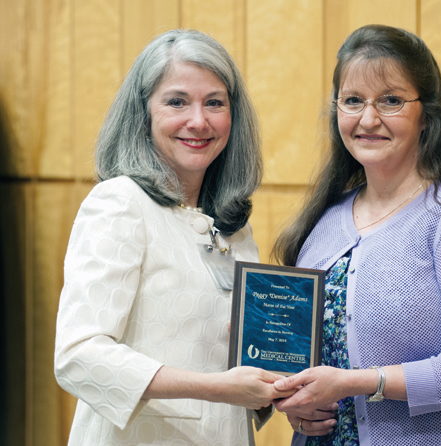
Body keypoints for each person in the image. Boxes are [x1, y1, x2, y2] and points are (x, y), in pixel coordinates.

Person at [271, 24, 441, 446]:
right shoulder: (325, 219)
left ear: (427, 114)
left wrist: (358, 382)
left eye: (390, 100)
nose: (368, 118)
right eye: (353, 100)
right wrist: (299, 407)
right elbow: (312, 359)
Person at [54, 29, 294, 446]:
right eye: (177, 101)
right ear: (143, 113)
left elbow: (229, 362)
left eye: (214, 103)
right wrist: (216, 387)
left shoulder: (233, 228)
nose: (198, 121)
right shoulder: (119, 203)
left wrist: (281, 388)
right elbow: (79, 356)